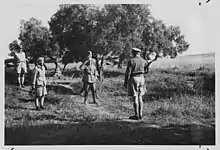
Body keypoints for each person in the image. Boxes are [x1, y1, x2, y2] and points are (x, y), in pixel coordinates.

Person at [124, 47, 148, 120]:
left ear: (133, 53)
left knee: (135, 97)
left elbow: (128, 72)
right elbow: (146, 71)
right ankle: (140, 114)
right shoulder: (144, 61)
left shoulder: (131, 61)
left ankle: (136, 114)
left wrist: (126, 82)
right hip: (142, 78)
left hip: (134, 78)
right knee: (140, 96)